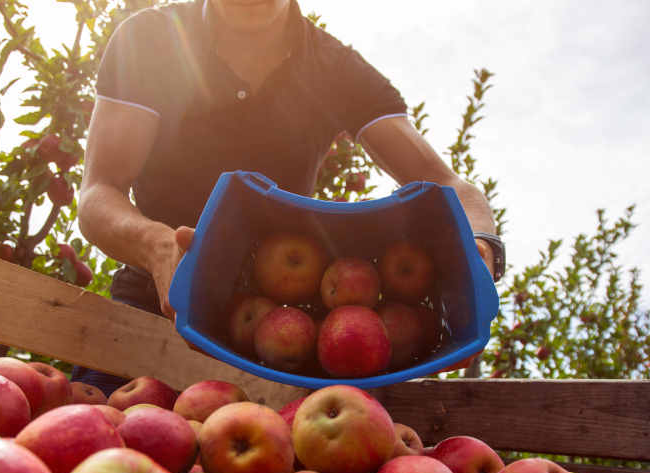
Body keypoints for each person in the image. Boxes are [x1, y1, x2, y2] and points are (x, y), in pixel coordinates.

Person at [72, 0, 504, 390]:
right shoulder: (149, 38)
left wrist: (483, 246)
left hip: (277, 341)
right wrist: (157, 246)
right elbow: (98, 192)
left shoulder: (336, 69)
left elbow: (446, 184)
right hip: (148, 309)